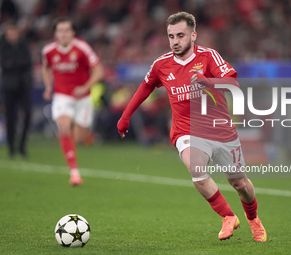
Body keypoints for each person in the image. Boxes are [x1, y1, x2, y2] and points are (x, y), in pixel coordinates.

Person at [117, 12, 267, 242]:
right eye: (171, 36)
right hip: (185, 130)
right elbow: (145, 87)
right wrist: (126, 116)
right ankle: (228, 216)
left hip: (219, 129)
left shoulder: (209, 57)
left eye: (180, 35)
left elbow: (233, 83)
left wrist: (207, 81)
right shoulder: (161, 64)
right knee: (196, 170)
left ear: (193, 35)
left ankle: (253, 219)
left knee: (239, 183)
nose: (175, 41)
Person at [42, 17, 103, 186]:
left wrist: (84, 88)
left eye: (66, 30)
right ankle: (74, 173)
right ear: (55, 33)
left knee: (80, 138)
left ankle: (67, 141)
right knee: (64, 127)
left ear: (73, 32)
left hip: (83, 98)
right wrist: (48, 87)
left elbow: (99, 72)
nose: (63, 34)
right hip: (62, 96)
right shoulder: (48, 50)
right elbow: (45, 68)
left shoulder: (82, 48)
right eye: (60, 30)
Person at [0, 22, 32, 158]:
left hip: (24, 85)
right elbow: (4, 64)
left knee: (27, 115)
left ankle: (22, 146)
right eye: (9, 33)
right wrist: (16, 63)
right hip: (9, 86)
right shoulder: (3, 47)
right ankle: (11, 148)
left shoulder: (24, 45)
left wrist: (11, 63)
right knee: (10, 117)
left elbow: (27, 62)